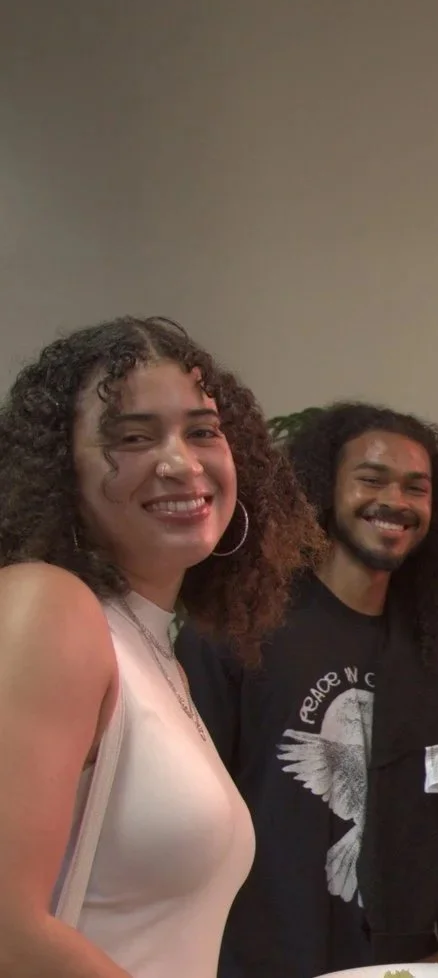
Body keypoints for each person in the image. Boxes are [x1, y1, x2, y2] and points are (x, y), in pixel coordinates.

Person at [0, 316, 324, 978]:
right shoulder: (48, 605)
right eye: (133, 437)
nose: (181, 463)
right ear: (58, 470)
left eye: (202, 431)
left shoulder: (152, 650)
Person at [177, 403, 438, 976]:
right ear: (323, 489)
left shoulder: (436, 652)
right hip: (264, 959)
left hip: (404, 965)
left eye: (416, 487)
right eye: (371, 479)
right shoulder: (238, 630)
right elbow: (185, 822)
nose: (395, 501)